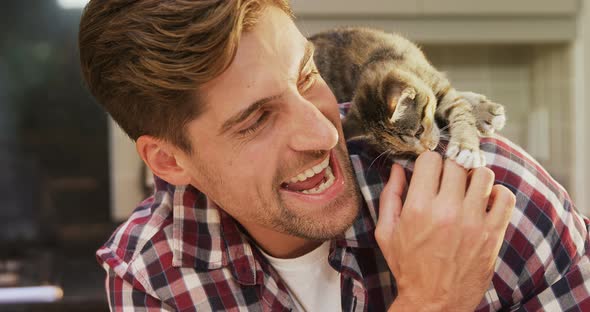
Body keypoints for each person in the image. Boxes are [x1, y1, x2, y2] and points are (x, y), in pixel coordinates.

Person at [79, 1, 590, 311]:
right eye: (256, 119)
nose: (323, 133)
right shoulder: (152, 272)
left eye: (307, 75)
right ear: (169, 161)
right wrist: (432, 304)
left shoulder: (493, 196)